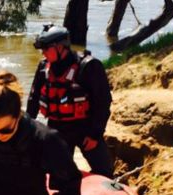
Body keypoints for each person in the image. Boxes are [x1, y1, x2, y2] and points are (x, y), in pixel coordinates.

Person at [27, 24, 114, 178]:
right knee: (57, 174)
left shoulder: (88, 67)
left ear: (61, 47)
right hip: (57, 129)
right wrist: (25, 127)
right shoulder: (43, 67)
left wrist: (95, 134)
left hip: (86, 128)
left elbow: (103, 103)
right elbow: (33, 100)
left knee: (104, 170)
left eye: (46, 48)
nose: (43, 52)